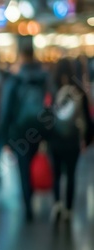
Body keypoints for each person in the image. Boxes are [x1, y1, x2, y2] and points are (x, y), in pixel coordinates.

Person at [0, 45, 49, 222]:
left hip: (20, 130)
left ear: (21, 57)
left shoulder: (15, 79)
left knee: (23, 165)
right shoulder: (44, 77)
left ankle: (28, 204)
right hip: (40, 128)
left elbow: (6, 109)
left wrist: (4, 137)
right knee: (35, 160)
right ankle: (33, 192)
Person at [48, 58, 94, 223]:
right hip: (73, 140)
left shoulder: (52, 89)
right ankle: (68, 207)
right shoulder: (79, 90)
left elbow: (45, 117)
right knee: (71, 174)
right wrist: (87, 140)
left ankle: (56, 203)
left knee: (57, 173)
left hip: (55, 139)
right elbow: (87, 119)